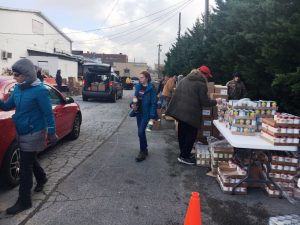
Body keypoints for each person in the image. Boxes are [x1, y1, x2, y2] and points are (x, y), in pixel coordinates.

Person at [0, 59, 58, 215]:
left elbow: (48, 113)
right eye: (13, 74)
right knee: (30, 159)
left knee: (25, 167)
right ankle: (42, 178)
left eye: (17, 75)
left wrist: (52, 132)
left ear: (26, 75)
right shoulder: (18, 89)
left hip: (35, 132)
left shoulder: (40, 90)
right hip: (21, 130)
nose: (14, 78)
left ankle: (24, 201)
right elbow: (6, 106)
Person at [166, 66, 222, 165]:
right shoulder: (201, 84)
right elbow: (205, 102)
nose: (207, 78)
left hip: (179, 111)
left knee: (182, 133)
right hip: (189, 113)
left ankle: (184, 153)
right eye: (207, 76)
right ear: (203, 74)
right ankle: (184, 156)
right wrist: (216, 101)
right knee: (191, 135)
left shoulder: (185, 79)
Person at [131, 71, 157, 162]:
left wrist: (152, 116)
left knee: (141, 132)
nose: (140, 79)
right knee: (140, 132)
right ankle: (145, 149)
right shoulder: (138, 87)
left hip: (147, 114)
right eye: (140, 77)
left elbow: (154, 103)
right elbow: (135, 99)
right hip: (138, 113)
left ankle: (142, 151)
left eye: (142, 77)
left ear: (147, 78)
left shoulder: (151, 88)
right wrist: (132, 105)